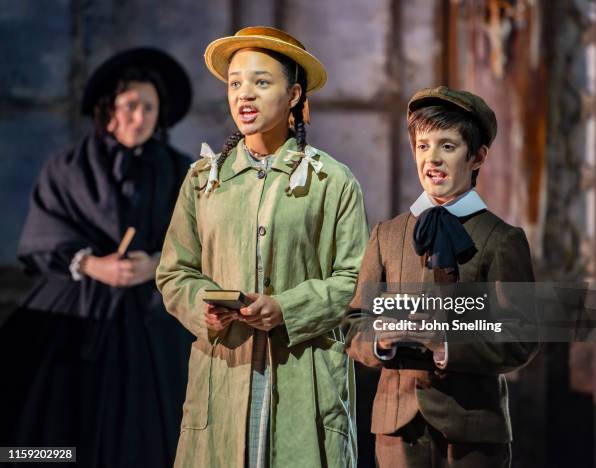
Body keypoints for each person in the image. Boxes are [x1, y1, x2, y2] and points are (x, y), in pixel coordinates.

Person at [156, 27, 369, 467]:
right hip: (224, 373)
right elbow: (175, 272)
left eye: (261, 82)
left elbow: (356, 281)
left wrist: (286, 309)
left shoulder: (331, 181)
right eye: (235, 83)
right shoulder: (203, 180)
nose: (244, 95)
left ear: (293, 94)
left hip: (303, 374)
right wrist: (205, 307)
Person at [0, 48, 194, 467]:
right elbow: (43, 236)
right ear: (109, 110)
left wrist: (157, 263)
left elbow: (205, 239)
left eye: (148, 107)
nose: (138, 117)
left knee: (155, 430)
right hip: (79, 310)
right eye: (130, 106)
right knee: (48, 430)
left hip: (153, 315)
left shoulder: (183, 172)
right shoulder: (68, 167)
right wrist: (91, 264)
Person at [345, 86, 539, 467]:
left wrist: (445, 343)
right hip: (396, 429)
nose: (431, 158)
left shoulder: (501, 240)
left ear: (477, 156)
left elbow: (521, 337)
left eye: (447, 146)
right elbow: (354, 323)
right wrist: (379, 340)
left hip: (472, 431)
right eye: (422, 146)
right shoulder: (387, 234)